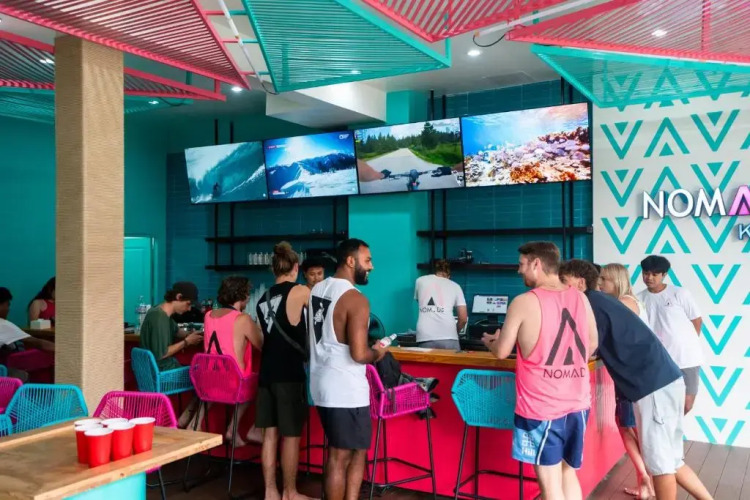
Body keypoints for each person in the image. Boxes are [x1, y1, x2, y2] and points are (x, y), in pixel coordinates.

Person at [558, 260, 713, 500]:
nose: (559, 287)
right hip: (665, 381)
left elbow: (585, 346)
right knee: (672, 461)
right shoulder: (602, 301)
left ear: (580, 282)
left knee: (661, 465)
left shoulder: (589, 303)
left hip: (653, 387)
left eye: (563, 282)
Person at [482, 242, 597, 500]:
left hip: (541, 407)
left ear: (536, 263)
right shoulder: (580, 298)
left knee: (550, 487)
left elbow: (501, 351)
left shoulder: (523, 302)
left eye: (521, 265)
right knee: (568, 474)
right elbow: (592, 343)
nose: (518, 271)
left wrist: (490, 341)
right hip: (578, 403)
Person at [563, 261, 653, 498]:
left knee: (630, 428)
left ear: (617, 281)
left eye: (604, 279)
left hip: (632, 377)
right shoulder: (629, 302)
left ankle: (648, 480)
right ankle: (646, 479)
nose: (599, 283)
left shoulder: (622, 303)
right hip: (633, 376)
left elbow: (601, 339)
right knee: (629, 427)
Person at [308, 239, 388, 500]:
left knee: (352, 451)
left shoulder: (318, 289)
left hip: (321, 383)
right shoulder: (356, 299)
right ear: (351, 261)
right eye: (368, 260)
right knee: (341, 455)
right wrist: (378, 352)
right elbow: (359, 354)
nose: (371, 266)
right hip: (345, 388)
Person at [255, 242, 313, 500]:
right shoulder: (301, 291)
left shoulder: (263, 298)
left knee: (270, 435)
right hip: (290, 373)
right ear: (296, 267)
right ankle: (290, 492)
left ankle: (270, 491)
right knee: (290, 435)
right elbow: (320, 321)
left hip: (266, 373)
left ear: (273, 269)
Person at [637, 255, 703, 415]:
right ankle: (666, 430)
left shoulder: (680, 293)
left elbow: (696, 320)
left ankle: (673, 428)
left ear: (664, 274)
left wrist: (687, 344)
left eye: (654, 274)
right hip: (659, 360)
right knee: (661, 403)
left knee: (687, 404)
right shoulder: (639, 299)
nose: (649, 278)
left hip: (686, 359)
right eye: (646, 273)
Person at [203, 276, 263, 446]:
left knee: (222, 383)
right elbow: (261, 344)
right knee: (259, 383)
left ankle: (194, 423)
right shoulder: (242, 319)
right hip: (233, 383)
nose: (249, 298)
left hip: (208, 380)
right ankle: (234, 429)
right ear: (242, 296)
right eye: (248, 294)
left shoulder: (208, 315)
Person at [0, 286, 55, 382]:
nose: (8, 309)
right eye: (7, 305)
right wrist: (64, 349)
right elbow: (38, 343)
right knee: (23, 375)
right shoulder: (3, 324)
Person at [414, 259, 467, 350]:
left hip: (425, 335)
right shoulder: (455, 286)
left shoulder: (420, 281)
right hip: (449, 336)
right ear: (449, 275)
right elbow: (463, 319)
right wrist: (455, 332)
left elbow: (420, 302)